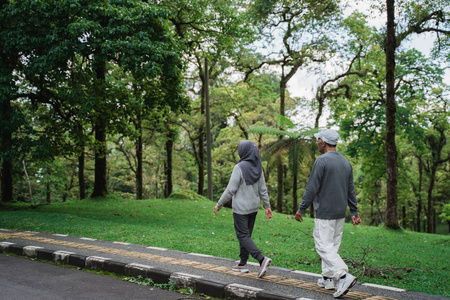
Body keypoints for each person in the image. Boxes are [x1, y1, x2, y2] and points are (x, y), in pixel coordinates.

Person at [294, 129, 362, 298]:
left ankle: (343, 276)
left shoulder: (321, 161)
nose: (317, 142)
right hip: (340, 213)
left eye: (318, 140)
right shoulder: (346, 163)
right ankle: (328, 279)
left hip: (325, 211)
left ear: (323, 142)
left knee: (323, 246)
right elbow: (351, 190)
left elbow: (312, 187)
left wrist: (302, 208)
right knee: (332, 246)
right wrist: (353, 211)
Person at [214, 140, 273, 278]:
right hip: (253, 208)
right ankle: (242, 263)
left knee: (242, 235)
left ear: (244, 151)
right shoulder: (258, 167)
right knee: (246, 236)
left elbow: (231, 189)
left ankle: (261, 259)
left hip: (240, 209)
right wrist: (267, 206)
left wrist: (219, 203)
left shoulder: (239, 168)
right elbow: (263, 190)